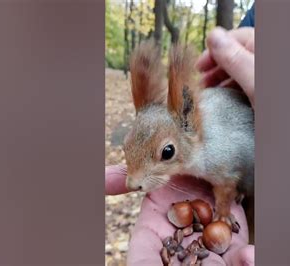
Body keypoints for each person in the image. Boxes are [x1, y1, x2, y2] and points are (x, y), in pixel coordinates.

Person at [106, 4, 256, 265]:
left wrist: (221, 212)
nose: (132, 184)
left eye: (166, 153)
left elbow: (228, 176)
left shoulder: (212, 155)